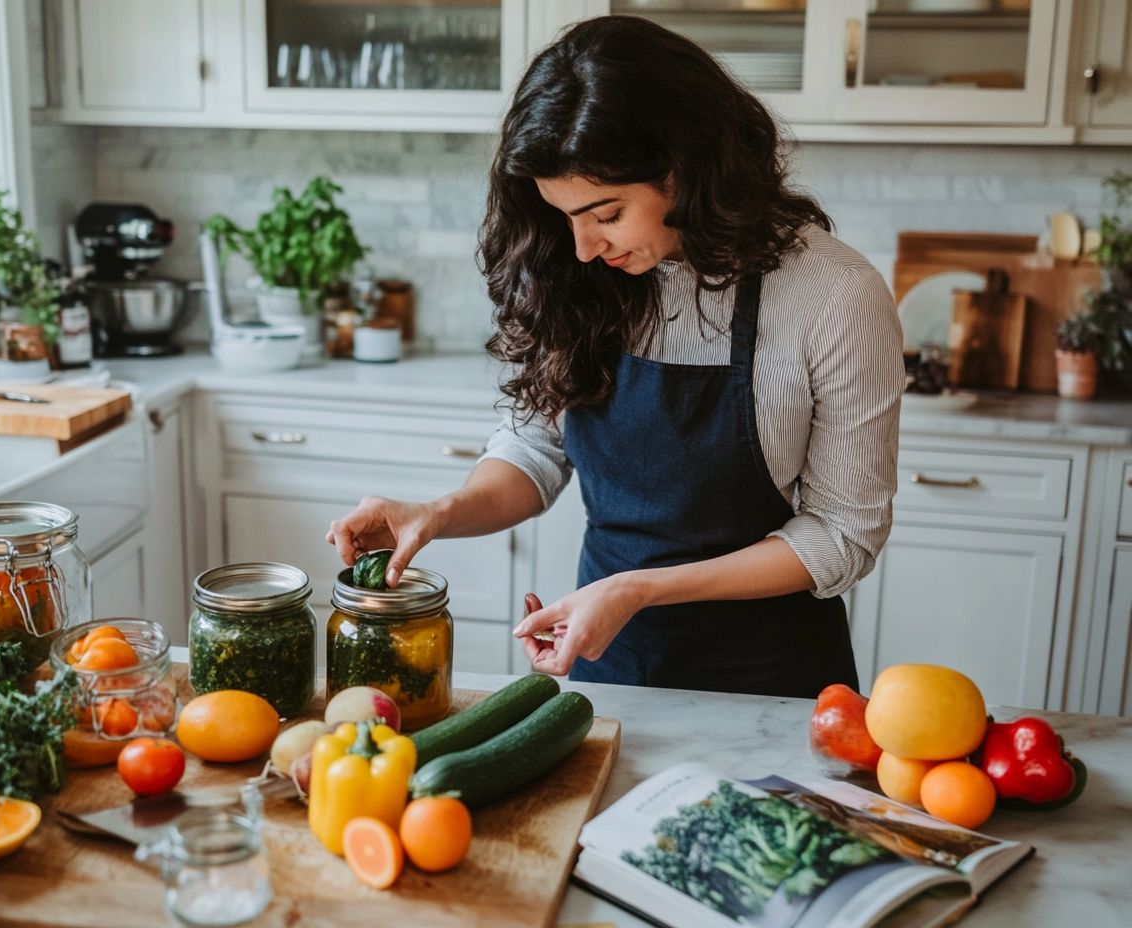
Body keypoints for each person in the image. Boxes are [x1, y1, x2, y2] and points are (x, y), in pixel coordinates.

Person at [328, 16, 904, 698]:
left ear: (686, 168)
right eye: (564, 216)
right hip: (607, 659)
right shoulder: (576, 275)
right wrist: (439, 512)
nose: (582, 247)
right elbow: (537, 450)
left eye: (606, 213)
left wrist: (638, 589)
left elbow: (844, 534)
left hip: (772, 682)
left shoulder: (834, 295)